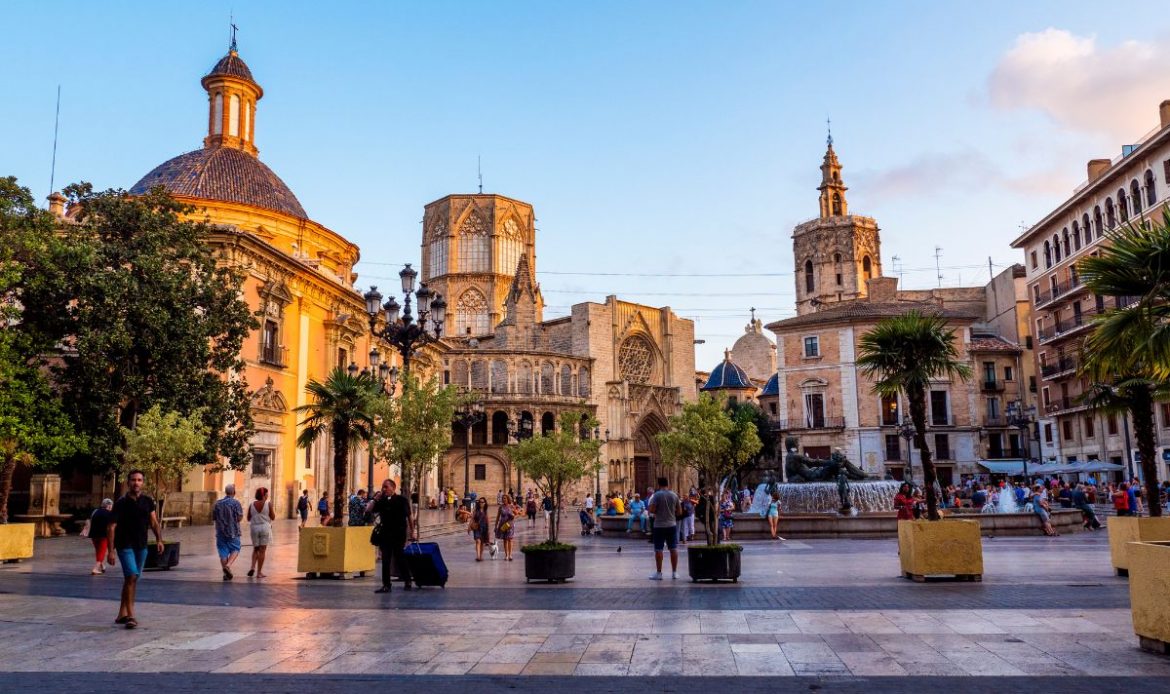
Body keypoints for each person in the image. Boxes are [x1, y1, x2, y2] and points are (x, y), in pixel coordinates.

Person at [106, 470, 163, 629]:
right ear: (128, 482)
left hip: (141, 546)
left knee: (132, 579)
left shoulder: (147, 501)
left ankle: (121, 614)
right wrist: (110, 551)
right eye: (133, 480)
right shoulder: (121, 503)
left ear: (142, 482)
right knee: (131, 576)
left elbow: (154, 522)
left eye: (139, 480)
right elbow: (111, 527)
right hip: (124, 545)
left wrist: (159, 539)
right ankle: (131, 616)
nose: (136, 483)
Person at [368, 479, 413, 593]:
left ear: (393, 488)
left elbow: (409, 516)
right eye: (383, 487)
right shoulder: (382, 501)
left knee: (399, 557)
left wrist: (412, 531)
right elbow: (369, 510)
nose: (384, 489)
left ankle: (407, 580)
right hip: (385, 534)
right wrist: (375, 499)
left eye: (386, 487)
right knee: (386, 560)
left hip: (398, 533)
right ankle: (386, 585)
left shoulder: (402, 500)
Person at [647, 477, 682, 580]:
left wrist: (658, 510)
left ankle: (659, 573)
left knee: (658, 549)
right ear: (668, 484)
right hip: (671, 524)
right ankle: (674, 572)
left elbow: (652, 510)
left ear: (659, 484)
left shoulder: (656, 495)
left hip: (659, 525)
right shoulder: (674, 495)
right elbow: (680, 512)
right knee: (673, 548)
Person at [213, 484, 244, 580]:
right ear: (234, 492)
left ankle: (226, 574)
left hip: (221, 532)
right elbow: (239, 517)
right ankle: (228, 566)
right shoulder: (236, 503)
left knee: (223, 552)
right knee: (236, 548)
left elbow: (214, 517)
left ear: (226, 492)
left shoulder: (217, 503)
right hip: (233, 531)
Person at [246, 487, 274, 578]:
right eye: (267, 493)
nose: (268, 495)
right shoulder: (268, 504)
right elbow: (273, 517)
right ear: (264, 495)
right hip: (265, 528)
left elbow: (248, 518)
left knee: (255, 549)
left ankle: (252, 567)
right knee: (262, 550)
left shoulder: (251, 504)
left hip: (254, 528)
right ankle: (259, 573)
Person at [87, 498, 114, 575]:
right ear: (108, 506)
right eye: (111, 506)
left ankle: (102, 566)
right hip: (103, 535)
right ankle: (95, 569)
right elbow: (111, 526)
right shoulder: (109, 514)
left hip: (93, 535)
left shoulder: (95, 511)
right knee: (102, 552)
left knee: (98, 551)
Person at [471, 497, 492, 562]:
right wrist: (469, 527)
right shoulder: (476, 510)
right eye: (480, 502)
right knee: (478, 541)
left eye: (482, 502)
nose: (481, 503)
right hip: (477, 527)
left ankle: (481, 556)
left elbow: (488, 521)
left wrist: (489, 530)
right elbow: (472, 519)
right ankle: (478, 556)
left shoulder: (486, 511)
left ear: (485, 503)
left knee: (482, 542)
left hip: (484, 528)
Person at [496, 494, 516, 561]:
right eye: (503, 498)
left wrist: (513, 515)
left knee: (510, 539)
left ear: (508, 499)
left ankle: (510, 555)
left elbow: (516, 514)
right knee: (505, 539)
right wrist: (496, 526)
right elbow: (498, 517)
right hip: (503, 525)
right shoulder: (501, 507)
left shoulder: (511, 506)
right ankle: (506, 555)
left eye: (505, 498)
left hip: (510, 524)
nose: (503, 499)